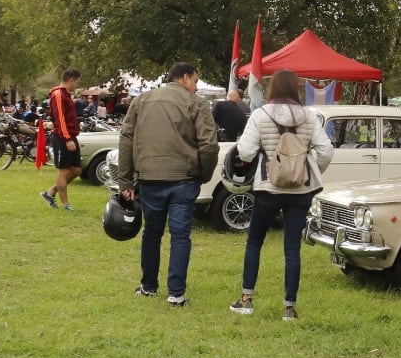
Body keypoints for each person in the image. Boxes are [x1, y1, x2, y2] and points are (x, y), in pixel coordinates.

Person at [232, 68, 336, 320]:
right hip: (301, 190)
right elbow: (326, 150)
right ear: (295, 88)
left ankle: (246, 300)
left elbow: (245, 152)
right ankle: (289, 307)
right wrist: (308, 169)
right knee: (292, 249)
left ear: (272, 88)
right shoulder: (309, 117)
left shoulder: (260, 114)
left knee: (254, 242)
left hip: (269, 186)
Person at [116, 62, 219, 306]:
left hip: (150, 176)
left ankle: (149, 286)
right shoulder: (196, 103)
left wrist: (125, 180)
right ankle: (176, 294)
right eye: (195, 81)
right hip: (184, 177)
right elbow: (209, 145)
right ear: (185, 78)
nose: (195, 87)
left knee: (152, 232)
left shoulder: (141, 100)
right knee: (180, 235)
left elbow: (126, 140)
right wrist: (203, 173)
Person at [41, 69, 83, 211]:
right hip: (62, 137)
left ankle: (50, 192)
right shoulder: (58, 95)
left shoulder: (66, 95)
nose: (77, 85)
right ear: (71, 79)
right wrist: (67, 139)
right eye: (77, 81)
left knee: (76, 170)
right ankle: (65, 204)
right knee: (64, 171)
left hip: (71, 136)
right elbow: (60, 119)